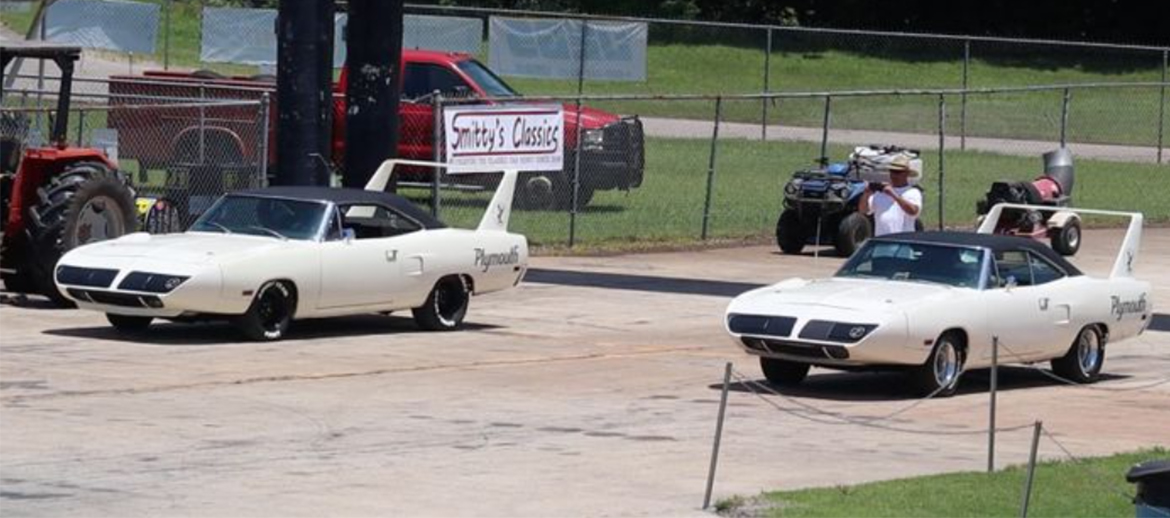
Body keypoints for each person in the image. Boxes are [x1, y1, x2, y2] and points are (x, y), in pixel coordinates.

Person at [859, 155, 922, 236]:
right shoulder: (880, 192)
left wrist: (894, 195)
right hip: (882, 240)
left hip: (903, 240)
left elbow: (913, 211)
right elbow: (863, 211)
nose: (894, 175)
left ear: (906, 174)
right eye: (892, 171)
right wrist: (866, 194)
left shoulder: (912, 192)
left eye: (898, 172)